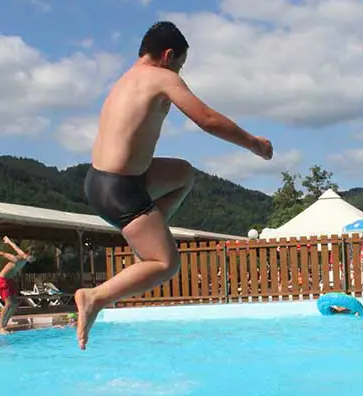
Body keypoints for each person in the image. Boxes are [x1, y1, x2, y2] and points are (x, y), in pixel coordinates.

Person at [75, 21, 273, 349]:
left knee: (183, 173)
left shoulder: (124, 81)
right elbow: (207, 119)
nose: (180, 72)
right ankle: (95, 297)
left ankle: (152, 233)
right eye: (180, 65)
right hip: (120, 190)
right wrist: (254, 144)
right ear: (168, 56)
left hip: (103, 180)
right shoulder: (162, 77)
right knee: (166, 264)